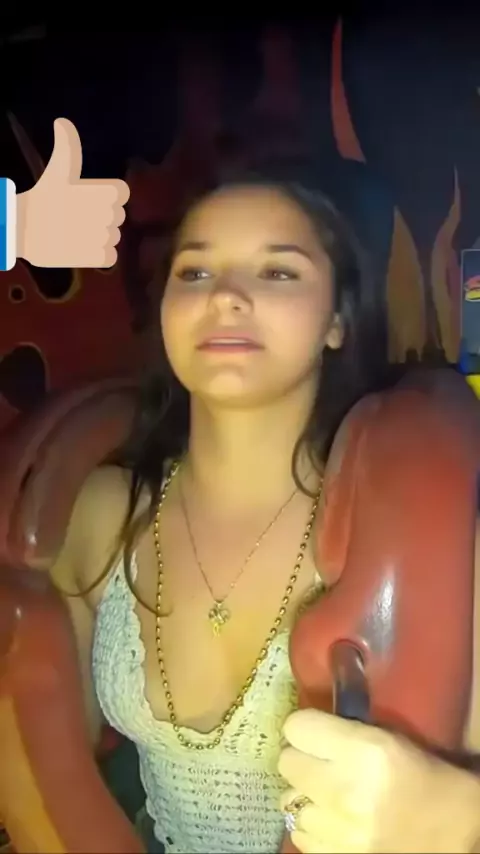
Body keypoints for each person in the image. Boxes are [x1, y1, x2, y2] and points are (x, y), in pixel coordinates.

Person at [48, 173, 473, 854]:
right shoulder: (100, 514)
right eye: (195, 271)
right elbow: (42, 749)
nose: (224, 295)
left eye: (278, 272)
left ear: (337, 320)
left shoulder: (430, 534)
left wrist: (459, 818)